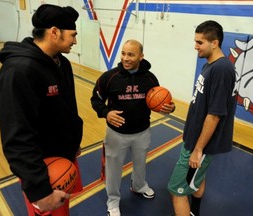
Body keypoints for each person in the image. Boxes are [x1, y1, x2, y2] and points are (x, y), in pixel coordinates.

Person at [0, 4, 83, 216]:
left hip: (63, 157)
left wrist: (73, 141)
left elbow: (67, 109)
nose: (75, 40)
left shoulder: (62, 63)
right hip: (44, 170)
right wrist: (40, 191)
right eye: (72, 35)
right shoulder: (19, 71)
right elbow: (17, 138)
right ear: (54, 32)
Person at [91, 39, 176, 216]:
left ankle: (138, 186)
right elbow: (95, 99)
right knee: (113, 169)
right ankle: (113, 200)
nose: (126, 58)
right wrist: (106, 112)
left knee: (140, 164)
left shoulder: (150, 78)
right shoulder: (109, 77)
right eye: (123, 53)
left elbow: (158, 101)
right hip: (116, 133)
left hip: (142, 131)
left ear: (141, 56)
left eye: (131, 54)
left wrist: (169, 108)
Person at [167, 20, 237, 216]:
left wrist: (198, 149)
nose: (195, 46)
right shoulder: (210, 65)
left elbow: (215, 115)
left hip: (200, 144)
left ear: (214, 43)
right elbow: (202, 102)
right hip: (195, 139)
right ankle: (195, 211)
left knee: (176, 190)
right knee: (198, 177)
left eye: (200, 42)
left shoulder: (221, 69)